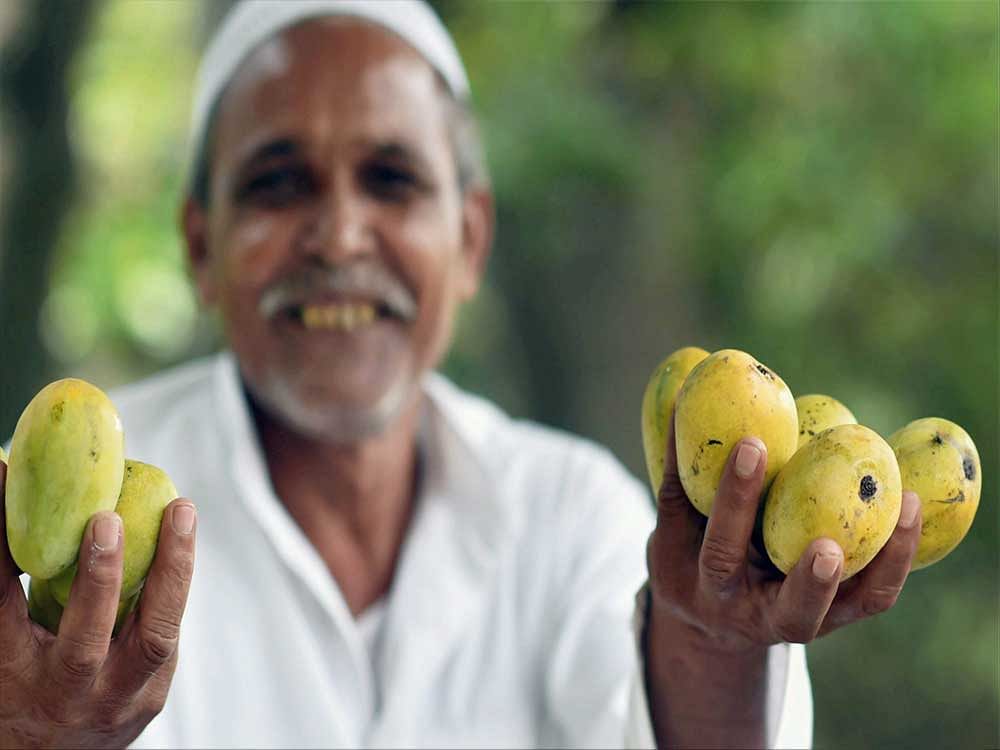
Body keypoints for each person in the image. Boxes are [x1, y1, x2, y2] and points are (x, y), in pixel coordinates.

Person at [0, 2, 923, 747]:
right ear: (201, 248)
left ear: (470, 241)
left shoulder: (573, 512)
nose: (340, 235)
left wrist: (718, 641)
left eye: (391, 180)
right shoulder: (58, 527)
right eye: (280, 182)